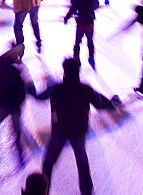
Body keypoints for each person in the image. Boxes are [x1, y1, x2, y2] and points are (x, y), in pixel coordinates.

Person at [34, 58, 120, 195]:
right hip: (78, 130)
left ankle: (41, 191)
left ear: (65, 71)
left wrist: (28, 87)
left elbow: (40, 97)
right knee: (81, 160)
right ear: (78, 71)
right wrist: (114, 102)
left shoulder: (57, 89)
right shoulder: (85, 89)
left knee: (48, 163)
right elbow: (100, 103)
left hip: (60, 130)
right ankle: (86, 190)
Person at [0, 44, 35, 165]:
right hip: (12, 104)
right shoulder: (16, 69)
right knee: (16, 131)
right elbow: (24, 87)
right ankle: (20, 157)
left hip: (3, 102)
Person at [65, 0, 100, 69]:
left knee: (77, 42)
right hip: (89, 22)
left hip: (81, 22)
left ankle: (76, 59)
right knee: (90, 40)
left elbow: (73, 8)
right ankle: (91, 56)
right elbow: (96, 6)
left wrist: (67, 17)